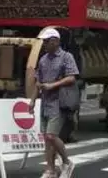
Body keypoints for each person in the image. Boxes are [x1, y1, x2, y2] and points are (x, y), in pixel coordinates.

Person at [29, 28, 78, 178]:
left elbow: (72, 77)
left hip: (59, 102)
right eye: (44, 41)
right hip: (45, 102)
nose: (44, 44)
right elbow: (38, 82)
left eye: (47, 41)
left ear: (56, 41)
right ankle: (50, 169)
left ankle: (66, 162)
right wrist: (32, 100)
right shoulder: (43, 59)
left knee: (51, 135)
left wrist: (53, 85)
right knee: (47, 139)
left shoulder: (66, 57)